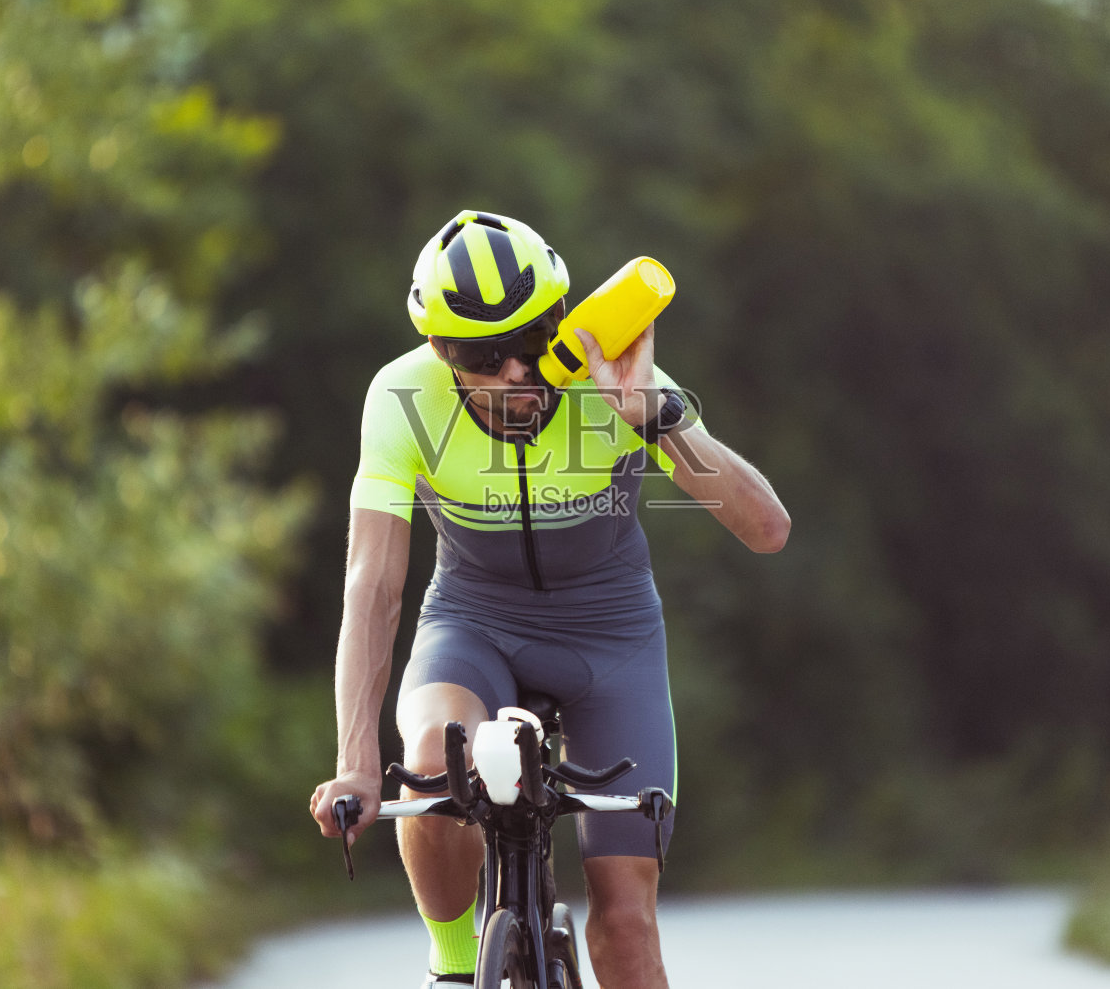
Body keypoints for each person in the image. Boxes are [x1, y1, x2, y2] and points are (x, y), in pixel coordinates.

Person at [310, 210, 789, 989]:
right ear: (440, 352)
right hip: (472, 622)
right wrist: (356, 763)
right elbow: (373, 583)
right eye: (483, 355)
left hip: (611, 635)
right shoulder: (401, 397)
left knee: (627, 922)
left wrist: (654, 418)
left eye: (535, 344)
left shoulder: (616, 379)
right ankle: (457, 962)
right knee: (432, 764)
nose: (515, 373)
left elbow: (768, 528)